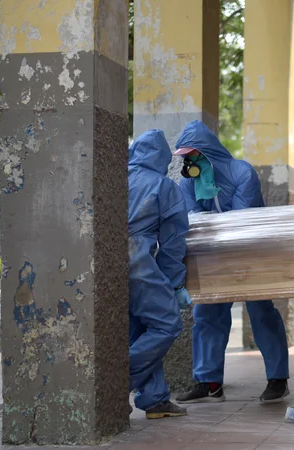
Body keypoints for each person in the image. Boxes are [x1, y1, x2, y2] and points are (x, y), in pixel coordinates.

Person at [172, 120, 290, 405]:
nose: (188, 162)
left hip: (251, 253)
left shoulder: (242, 172)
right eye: (185, 157)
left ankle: (278, 379)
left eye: (192, 155)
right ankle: (209, 382)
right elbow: (191, 221)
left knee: (262, 312)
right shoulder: (189, 183)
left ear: (207, 152)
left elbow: (240, 221)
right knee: (207, 316)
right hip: (213, 257)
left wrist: (206, 217)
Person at [127, 129, 193, 419]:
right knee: (166, 324)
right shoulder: (163, 186)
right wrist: (175, 284)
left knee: (139, 328)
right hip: (137, 259)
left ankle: (154, 399)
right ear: (163, 159)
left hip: (102, 259)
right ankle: (113, 381)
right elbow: (172, 242)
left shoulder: (115, 176)